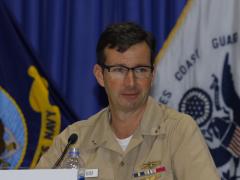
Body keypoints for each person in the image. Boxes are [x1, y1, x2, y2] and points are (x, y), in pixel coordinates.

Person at [36, 22, 220, 179]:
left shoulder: (179, 130)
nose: (131, 82)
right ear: (100, 76)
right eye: (119, 70)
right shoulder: (73, 139)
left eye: (140, 70)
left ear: (152, 74)